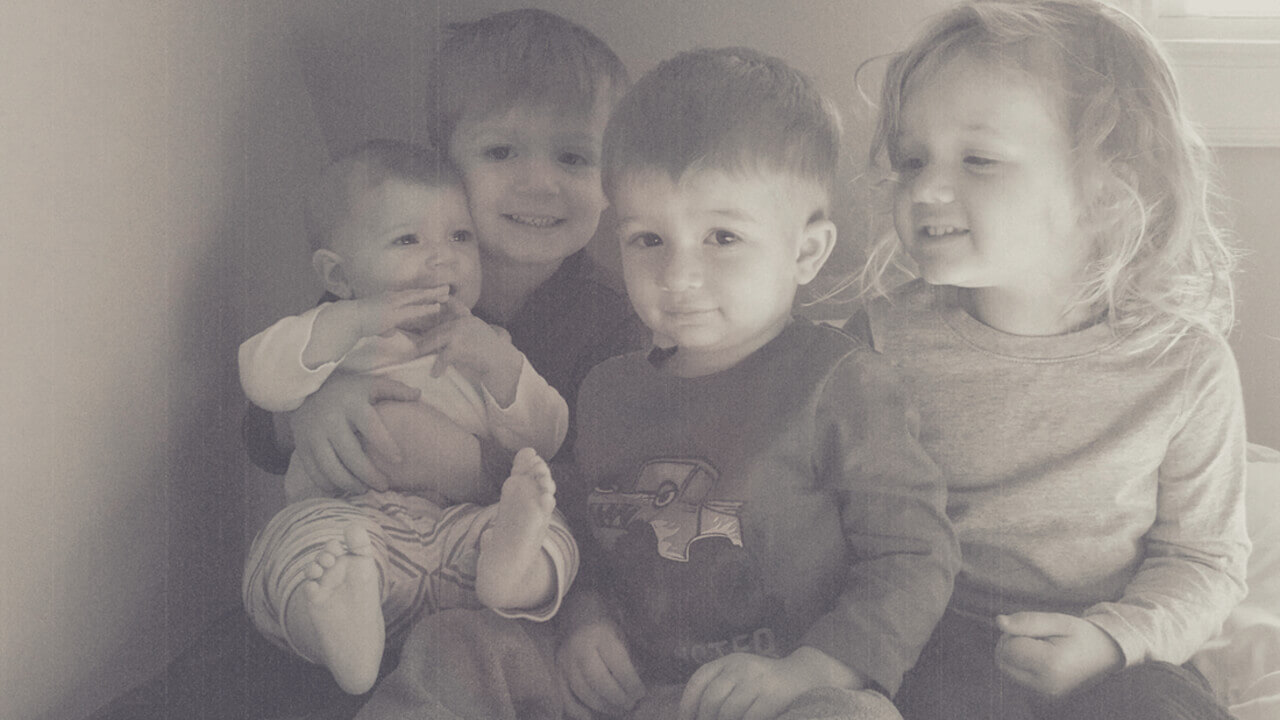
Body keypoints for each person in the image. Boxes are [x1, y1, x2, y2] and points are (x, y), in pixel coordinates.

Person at [91, 11, 642, 719]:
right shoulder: (390, 275)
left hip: (481, 584)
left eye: (573, 157)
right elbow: (260, 427)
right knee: (256, 647)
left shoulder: (610, 319)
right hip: (356, 549)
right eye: (502, 152)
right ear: (447, 159)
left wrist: (473, 468)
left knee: (474, 642)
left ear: (612, 178)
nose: (539, 184)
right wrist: (306, 413)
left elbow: (616, 489)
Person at [844, 2, 1249, 719]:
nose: (925, 189)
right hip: (934, 636)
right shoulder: (882, 340)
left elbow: (1204, 562)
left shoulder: (1185, 366)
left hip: (1110, 644)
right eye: (912, 160)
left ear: (1104, 190)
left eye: (978, 159)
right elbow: (835, 520)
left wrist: (1110, 639)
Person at [553, 47, 958, 720]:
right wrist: (584, 617)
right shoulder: (606, 391)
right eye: (648, 240)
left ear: (806, 252)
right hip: (644, 689)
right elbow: (580, 534)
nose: (679, 276)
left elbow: (914, 555)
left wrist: (810, 670)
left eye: (722, 238)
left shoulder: (838, 382)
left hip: (799, 687)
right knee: (468, 642)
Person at [238, 139, 578, 696]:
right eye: (407, 239)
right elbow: (261, 376)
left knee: (553, 531)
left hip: (463, 536)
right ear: (340, 276)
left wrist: (498, 365)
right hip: (355, 531)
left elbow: (549, 436)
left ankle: (511, 573)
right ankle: (341, 631)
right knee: (291, 550)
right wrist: (349, 321)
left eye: (461, 237)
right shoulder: (331, 338)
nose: (443, 257)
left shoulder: (488, 345)